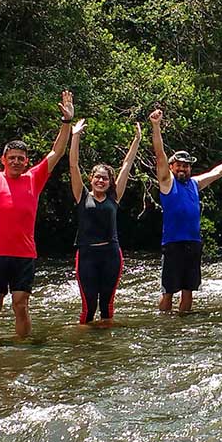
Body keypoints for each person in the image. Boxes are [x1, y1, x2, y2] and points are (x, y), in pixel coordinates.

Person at [0, 76, 73, 338]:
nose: (16, 162)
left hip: (24, 255)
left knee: (21, 305)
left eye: (20, 159)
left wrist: (67, 122)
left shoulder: (34, 178)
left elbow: (57, 152)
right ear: (3, 159)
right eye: (11, 158)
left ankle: (21, 352)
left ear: (27, 162)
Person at [149, 108, 222, 313]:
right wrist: (156, 127)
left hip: (193, 243)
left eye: (186, 166)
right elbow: (159, 156)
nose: (183, 169)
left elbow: (216, 173)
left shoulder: (194, 183)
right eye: (179, 166)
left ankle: (183, 324)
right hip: (173, 243)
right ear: (172, 167)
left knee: (189, 289)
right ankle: (165, 324)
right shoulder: (167, 182)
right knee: (168, 290)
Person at [68, 119, 141, 326]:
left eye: (105, 179)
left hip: (111, 254)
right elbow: (73, 164)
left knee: (107, 307)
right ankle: (86, 343)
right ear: (91, 179)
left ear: (110, 182)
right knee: (88, 307)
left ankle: (105, 348)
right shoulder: (82, 195)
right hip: (87, 255)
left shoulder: (114, 197)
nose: (101, 181)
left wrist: (137, 140)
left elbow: (127, 165)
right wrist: (75, 136)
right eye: (97, 177)